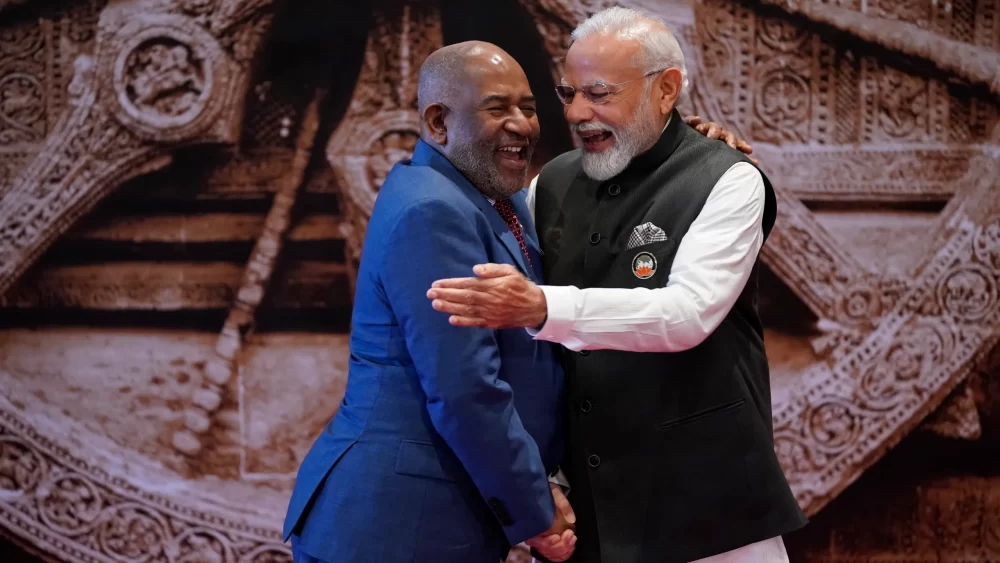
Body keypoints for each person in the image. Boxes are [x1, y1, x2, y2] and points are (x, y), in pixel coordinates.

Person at [426, 7, 808, 563]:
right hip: (586, 512)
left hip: (708, 511)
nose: (577, 113)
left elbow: (687, 314)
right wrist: (536, 478)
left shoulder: (727, 179)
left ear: (665, 90)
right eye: (569, 93)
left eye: (599, 94)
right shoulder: (551, 183)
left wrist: (541, 308)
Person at [282, 41, 577, 563]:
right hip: (395, 529)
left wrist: (687, 148)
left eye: (529, 108)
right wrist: (536, 511)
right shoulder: (432, 209)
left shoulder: (490, 194)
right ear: (438, 122)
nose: (522, 124)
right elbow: (466, 390)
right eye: (497, 108)